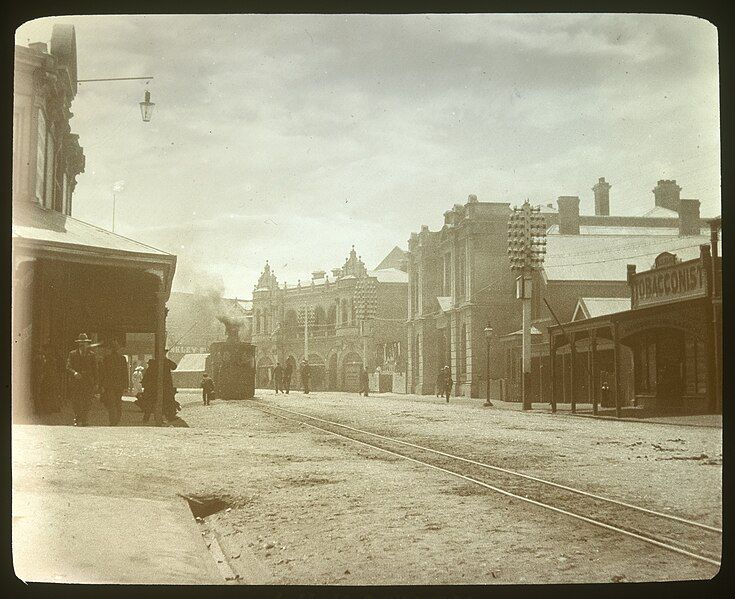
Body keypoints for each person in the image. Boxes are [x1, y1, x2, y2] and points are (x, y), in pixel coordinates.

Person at [65, 333, 97, 426]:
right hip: (76, 381)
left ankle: (85, 419)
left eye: (84, 343)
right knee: (76, 400)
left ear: (87, 344)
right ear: (78, 344)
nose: (83, 344)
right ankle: (77, 417)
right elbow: (68, 367)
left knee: (87, 400)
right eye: (81, 343)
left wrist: (96, 382)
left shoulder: (92, 355)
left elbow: (95, 369)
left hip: (88, 381)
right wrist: (74, 372)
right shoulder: (72, 354)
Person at [139, 354, 179, 422]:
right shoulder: (165, 363)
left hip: (153, 388)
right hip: (163, 387)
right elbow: (174, 366)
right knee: (167, 402)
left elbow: (146, 378)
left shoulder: (152, 366)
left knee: (151, 403)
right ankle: (169, 417)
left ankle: (146, 418)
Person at [100, 339, 128, 426]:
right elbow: (125, 372)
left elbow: (103, 372)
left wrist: (102, 384)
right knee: (117, 402)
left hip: (109, 384)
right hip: (119, 384)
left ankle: (113, 420)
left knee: (111, 402)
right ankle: (117, 418)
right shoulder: (122, 358)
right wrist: (126, 385)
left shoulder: (106, 358)